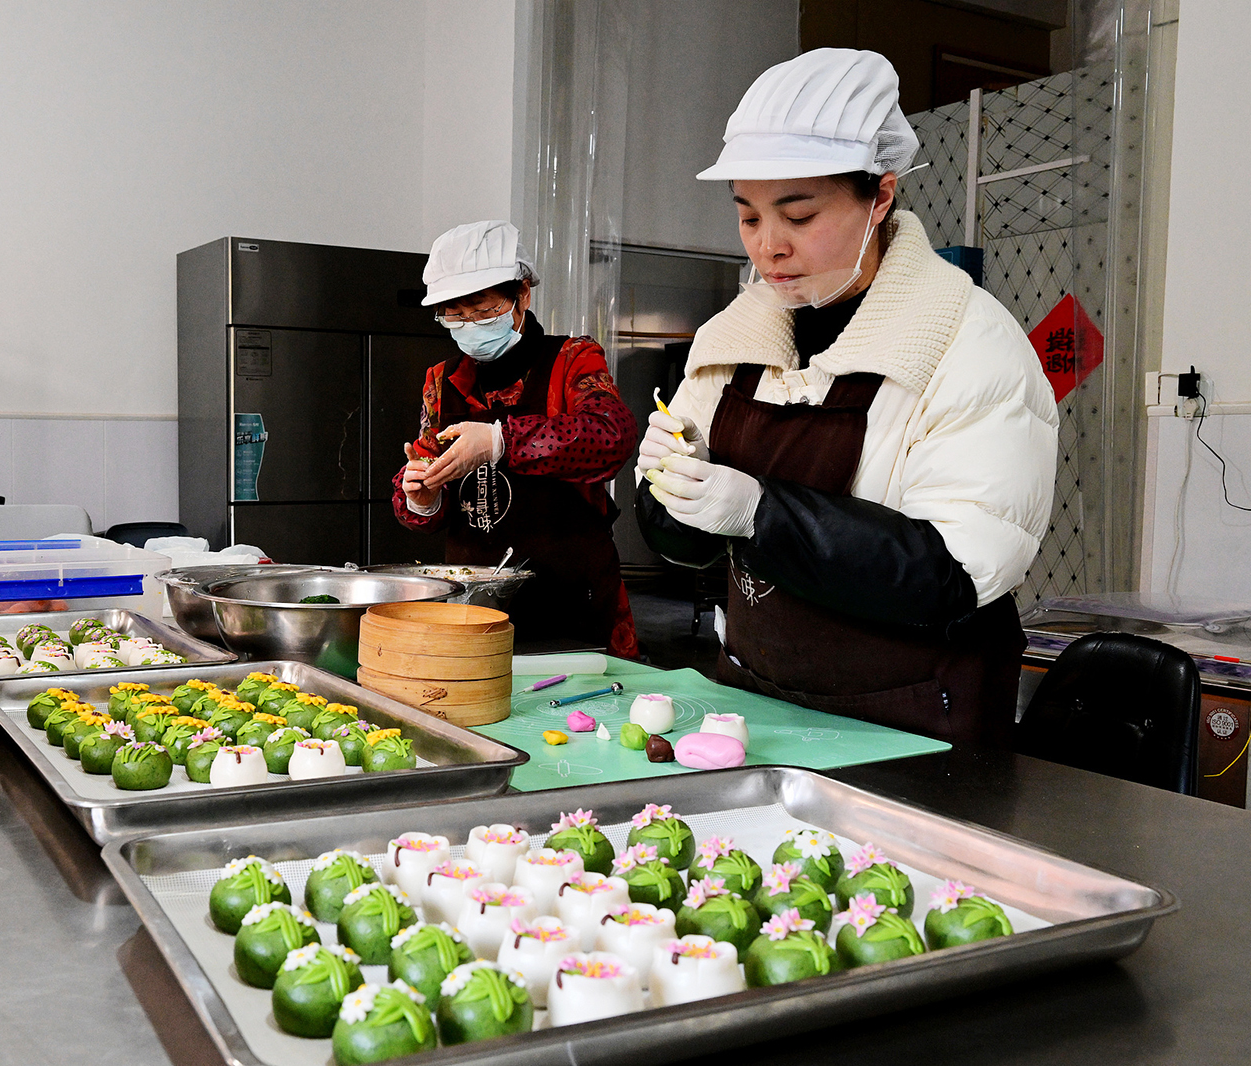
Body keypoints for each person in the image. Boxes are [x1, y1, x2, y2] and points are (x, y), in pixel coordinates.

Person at [636, 49, 1057, 746]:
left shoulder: (966, 342)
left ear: (880, 197)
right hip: (759, 708)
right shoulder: (733, 337)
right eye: (748, 217)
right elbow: (682, 548)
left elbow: (953, 573)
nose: (768, 247)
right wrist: (671, 487)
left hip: (914, 723)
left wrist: (760, 513)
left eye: (799, 216)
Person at [393, 220, 640, 658]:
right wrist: (422, 497)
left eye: (483, 310)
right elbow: (423, 476)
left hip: (572, 601)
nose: (469, 325)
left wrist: (500, 442)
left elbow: (612, 435)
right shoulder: (442, 382)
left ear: (522, 294)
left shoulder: (571, 360)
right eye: (455, 315)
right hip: (475, 609)